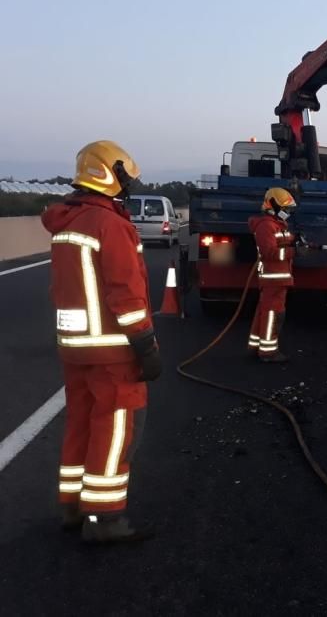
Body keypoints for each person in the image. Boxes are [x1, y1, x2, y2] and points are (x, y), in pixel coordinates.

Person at [41, 140, 161, 544]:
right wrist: (145, 343)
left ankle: (73, 507)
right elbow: (125, 293)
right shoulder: (109, 225)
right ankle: (105, 519)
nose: (130, 184)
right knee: (114, 431)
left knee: (80, 424)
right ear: (110, 173)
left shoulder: (67, 222)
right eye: (126, 175)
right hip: (113, 350)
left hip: (76, 348)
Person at [247, 187, 297, 363]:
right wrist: (294, 252)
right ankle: (268, 352)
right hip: (273, 278)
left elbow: (283, 240)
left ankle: (256, 346)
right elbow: (269, 253)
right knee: (272, 314)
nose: (288, 213)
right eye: (286, 209)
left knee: (264, 311)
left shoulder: (276, 225)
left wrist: (296, 240)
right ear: (274, 206)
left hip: (278, 278)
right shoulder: (266, 226)